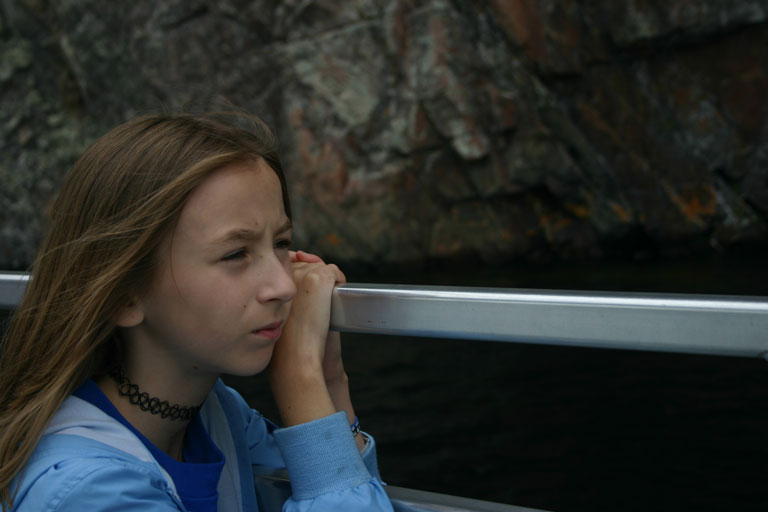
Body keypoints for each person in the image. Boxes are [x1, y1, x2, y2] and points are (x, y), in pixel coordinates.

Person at [0, 111, 394, 511]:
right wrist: (300, 376)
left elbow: (333, 482)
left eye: (280, 243)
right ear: (124, 296)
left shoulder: (213, 416)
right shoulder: (89, 492)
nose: (284, 286)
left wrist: (329, 378)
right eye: (236, 253)